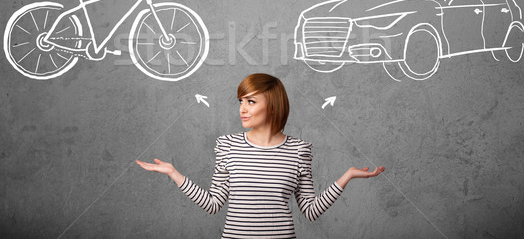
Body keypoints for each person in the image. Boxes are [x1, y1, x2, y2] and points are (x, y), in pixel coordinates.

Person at [136, 73, 385, 238]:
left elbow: (310, 210)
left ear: (273, 105)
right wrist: (173, 173)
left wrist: (347, 176)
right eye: (241, 101)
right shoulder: (227, 145)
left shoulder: (299, 150)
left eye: (251, 101)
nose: (242, 109)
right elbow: (213, 204)